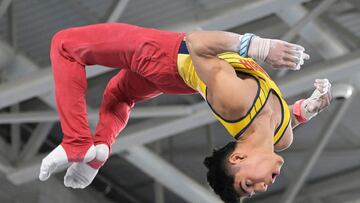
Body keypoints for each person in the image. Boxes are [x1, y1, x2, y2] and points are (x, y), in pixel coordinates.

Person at [38, 23, 331, 202]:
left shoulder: (236, 102)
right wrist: (308, 109)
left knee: (65, 46)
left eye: (248, 184)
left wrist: (259, 46)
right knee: (119, 95)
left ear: (238, 157)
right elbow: (286, 118)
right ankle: (100, 149)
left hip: (164, 55)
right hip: (177, 80)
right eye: (255, 190)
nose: (263, 187)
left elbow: (196, 42)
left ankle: (76, 142)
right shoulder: (283, 138)